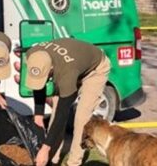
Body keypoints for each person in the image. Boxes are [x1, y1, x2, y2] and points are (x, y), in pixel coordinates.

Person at [24, 38, 111, 166]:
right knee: (54, 116)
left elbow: (62, 113)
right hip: (74, 65)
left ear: (52, 68)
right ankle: (51, 160)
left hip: (95, 70)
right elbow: (39, 84)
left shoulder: (67, 73)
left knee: (81, 118)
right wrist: (38, 115)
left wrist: (45, 148)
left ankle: (74, 162)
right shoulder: (33, 54)